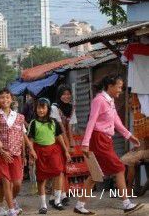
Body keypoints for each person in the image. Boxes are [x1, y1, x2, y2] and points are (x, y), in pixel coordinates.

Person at [74, 75, 143, 215]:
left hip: (105, 140)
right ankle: (126, 204)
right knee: (118, 168)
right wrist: (85, 143)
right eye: (119, 87)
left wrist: (129, 136)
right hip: (98, 139)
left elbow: (117, 122)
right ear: (110, 86)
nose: (120, 90)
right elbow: (91, 121)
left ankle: (79, 206)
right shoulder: (99, 100)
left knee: (95, 175)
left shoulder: (110, 101)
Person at [0, 88, 37, 216]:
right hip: (0, 154)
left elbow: (23, 134)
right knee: (5, 182)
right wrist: (0, 149)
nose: (5, 100)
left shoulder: (19, 117)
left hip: (16, 154)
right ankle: (10, 210)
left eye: (7, 97)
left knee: (17, 183)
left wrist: (31, 149)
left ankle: (12, 200)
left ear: (11, 99)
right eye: (2, 97)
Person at [28, 98, 71, 214]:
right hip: (39, 153)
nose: (41, 110)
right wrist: (31, 153)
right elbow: (30, 140)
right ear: (35, 109)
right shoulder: (33, 123)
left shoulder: (53, 122)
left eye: (43, 108)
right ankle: (43, 205)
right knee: (41, 179)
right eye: (38, 108)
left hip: (53, 151)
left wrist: (66, 151)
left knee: (58, 173)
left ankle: (57, 201)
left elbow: (59, 137)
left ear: (48, 109)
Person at [51, 85, 77, 205]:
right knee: (59, 168)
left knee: (63, 168)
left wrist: (72, 145)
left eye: (68, 94)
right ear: (59, 95)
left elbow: (70, 128)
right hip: (56, 140)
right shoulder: (54, 107)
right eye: (64, 94)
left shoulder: (71, 108)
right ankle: (62, 195)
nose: (66, 96)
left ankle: (56, 196)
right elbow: (60, 127)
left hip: (66, 139)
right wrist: (66, 145)